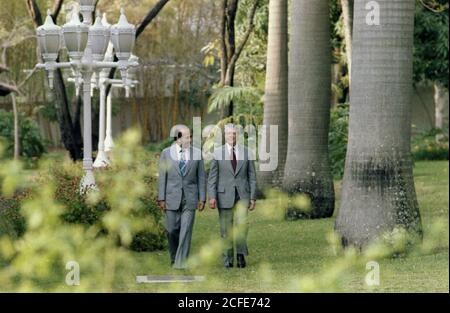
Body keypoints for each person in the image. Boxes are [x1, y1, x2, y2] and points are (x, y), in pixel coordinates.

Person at [208, 124, 257, 269]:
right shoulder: (217, 153)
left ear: (238, 135)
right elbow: (212, 177)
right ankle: (227, 259)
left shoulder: (247, 152)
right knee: (226, 229)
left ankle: (240, 255)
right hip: (224, 195)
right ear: (225, 135)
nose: (232, 136)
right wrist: (212, 196)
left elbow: (252, 177)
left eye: (235, 134)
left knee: (242, 226)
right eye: (230, 134)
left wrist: (253, 197)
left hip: (243, 195)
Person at [158, 125, 206, 269]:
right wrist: (161, 198)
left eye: (190, 136)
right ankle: (174, 258)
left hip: (190, 198)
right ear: (178, 139)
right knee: (172, 230)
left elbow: (201, 177)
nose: (190, 139)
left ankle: (181, 263)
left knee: (186, 230)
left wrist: (202, 198)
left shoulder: (197, 153)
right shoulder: (166, 153)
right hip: (171, 197)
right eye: (187, 137)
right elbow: (162, 177)